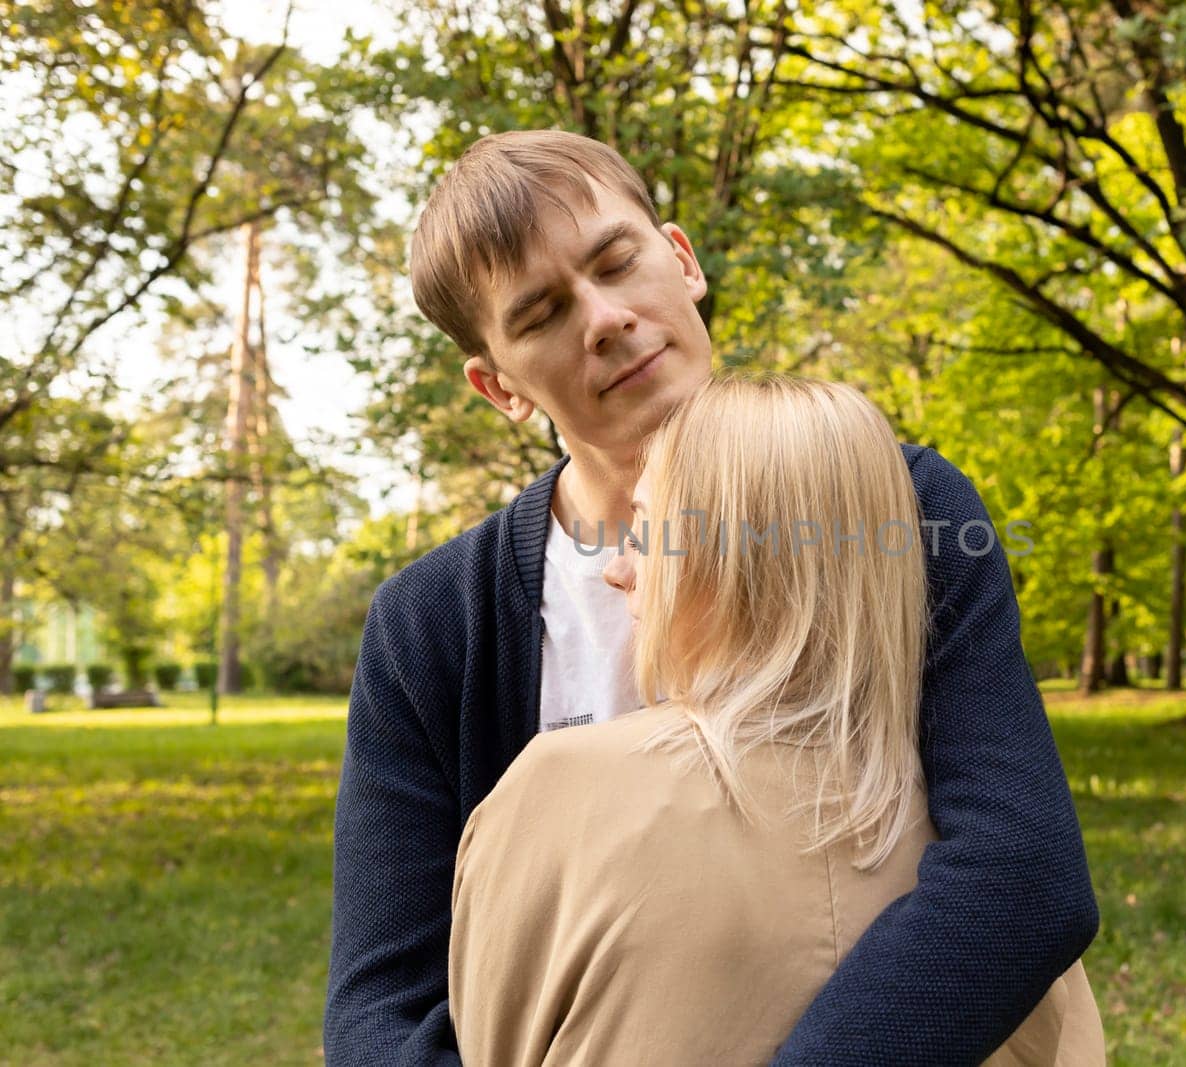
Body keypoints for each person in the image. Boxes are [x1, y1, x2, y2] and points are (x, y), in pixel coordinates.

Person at [323, 129, 1098, 1066]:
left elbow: (1022, 875)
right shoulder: (433, 622)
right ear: (499, 388)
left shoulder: (902, 510)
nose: (605, 317)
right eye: (540, 315)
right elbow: (378, 1011)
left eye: (618, 261)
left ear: (682, 260)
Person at [448, 375, 1105, 1066]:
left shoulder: (561, 792)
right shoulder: (1004, 891)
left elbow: (494, 1042)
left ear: (725, 555)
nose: (618, 571)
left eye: (644, 529)